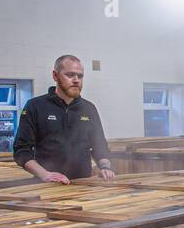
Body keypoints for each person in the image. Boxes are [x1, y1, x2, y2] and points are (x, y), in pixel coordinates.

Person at [13, 54, 116, 184]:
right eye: (70, 75)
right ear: (55, 76)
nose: (76, 80)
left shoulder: (89, 109)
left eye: (80, 76)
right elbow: (22, 151)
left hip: (83, 185)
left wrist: (105, 167)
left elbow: (100, 147)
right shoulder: (35, 106)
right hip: (47, 184)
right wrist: (45, 174)